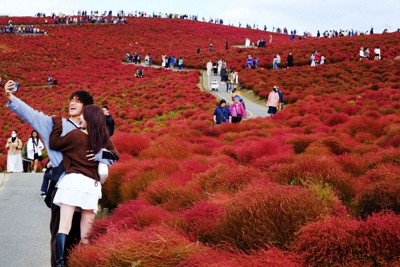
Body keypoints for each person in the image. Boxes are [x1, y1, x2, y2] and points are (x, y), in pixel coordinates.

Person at [4, 80, 117, 267]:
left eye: (78, 101)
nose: (72, 103)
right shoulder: (56, 124)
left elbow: (111, 154)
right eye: (71, 99)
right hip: (63, 186)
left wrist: (98, 155)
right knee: (60, 234)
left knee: (81, 237)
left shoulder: (95, 130)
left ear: (87, 108)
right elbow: (31, 115)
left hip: (87, 187)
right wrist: (11, 97)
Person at [49, 104, 119, 266]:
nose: (80, 118)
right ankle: (84, 262)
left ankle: (60, 263)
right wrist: (98, 155)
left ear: (89, 118)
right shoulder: (102, 140)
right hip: (90, 188)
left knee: (63, 227)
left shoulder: (75, 135)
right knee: (86, 236)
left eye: (83, 115)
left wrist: (58, 123)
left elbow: (54, 143)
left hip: (72, 184)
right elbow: (115, 157)